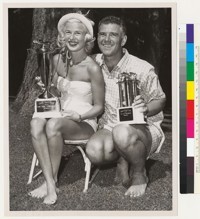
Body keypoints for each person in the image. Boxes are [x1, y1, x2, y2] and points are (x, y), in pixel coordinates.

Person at [29, 13, 105, 205]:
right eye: (68, 32)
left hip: (83, 121)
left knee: (53, 125)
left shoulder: (92, 68)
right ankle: (49, 181)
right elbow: (55, 91)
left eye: (77, 33)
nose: (72, 37)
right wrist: (46, 87)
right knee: (36, 123)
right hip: (59, 113)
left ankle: (51, 183)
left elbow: (99, 107)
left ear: (87, 37)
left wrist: (79, 116)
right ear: (63, 35)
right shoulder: (56, 60)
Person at [86, 16, 166, 198]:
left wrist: (145, 108)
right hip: (109, 127)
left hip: (143, 127)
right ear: (97, 37)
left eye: (113, 35)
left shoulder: (142, 68)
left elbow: (160, 100)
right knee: (94, 151)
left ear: (123, 40)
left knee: (122, 132)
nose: (106, 39)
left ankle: (139, 174)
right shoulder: (93, 62)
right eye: (102, 34)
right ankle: (123, 158)